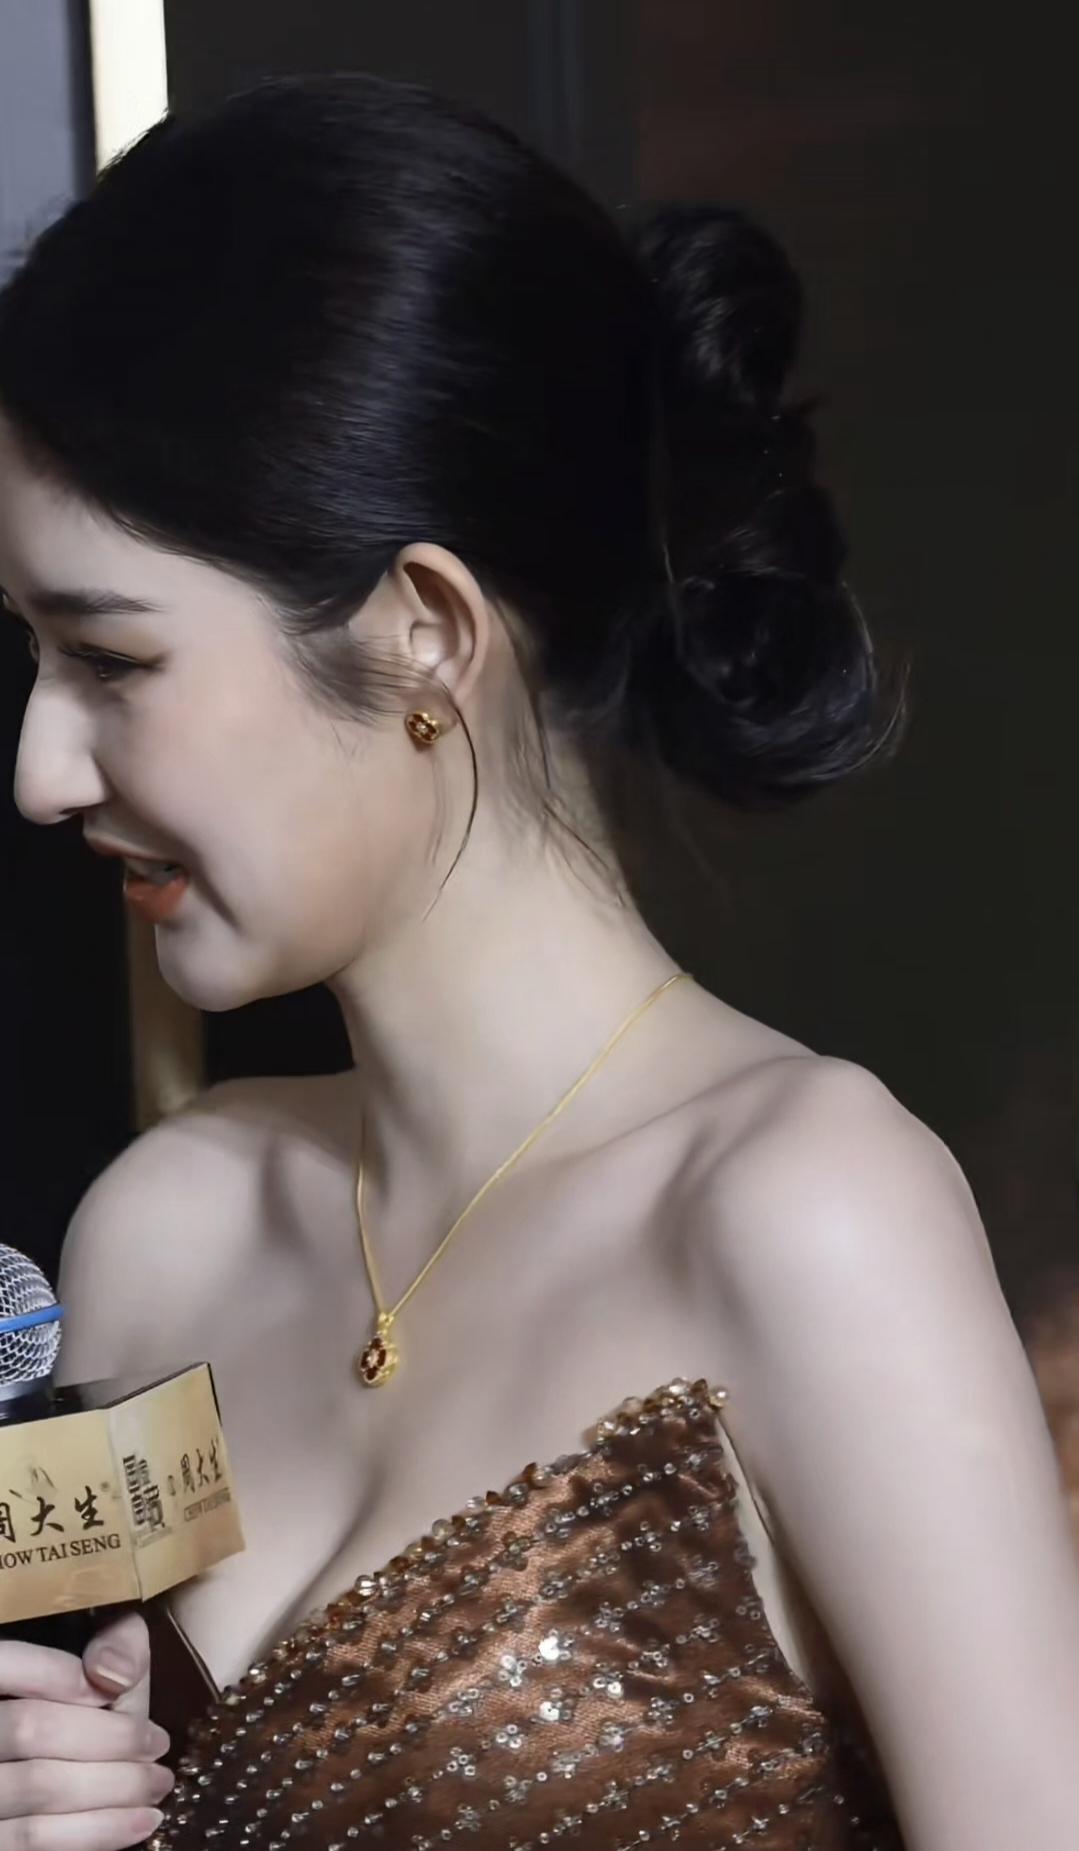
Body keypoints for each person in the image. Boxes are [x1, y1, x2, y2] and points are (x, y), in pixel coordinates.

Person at [0, 71, 1075, 1851]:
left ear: (426, 632)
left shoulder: (803, 1212)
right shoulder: (158, 1232)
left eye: (111, 661)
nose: (41, 770)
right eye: (31, 661)